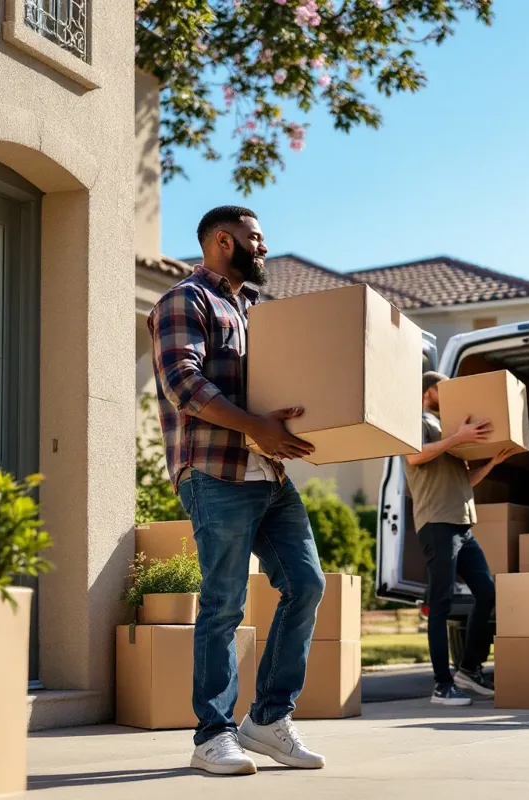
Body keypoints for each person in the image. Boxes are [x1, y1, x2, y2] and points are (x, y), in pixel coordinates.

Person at [149, 205, 327, 775]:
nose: (265, 247)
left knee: (306, 584)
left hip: (269, 474)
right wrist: (256, 427)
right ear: (224, 241)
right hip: (214, 472)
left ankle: (268, 720)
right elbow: (183, 382)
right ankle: (212, 734)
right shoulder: (186, 299)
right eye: (256, 237)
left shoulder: (253, 311)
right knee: (223, 603)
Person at [404, 371, 514, 706]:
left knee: (487, 592)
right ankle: (442, 685)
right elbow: (413, 456)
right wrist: (457, 436)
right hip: (437, 524)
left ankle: (469, 668)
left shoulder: (446, 428)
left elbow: (463, 480)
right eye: (444, 390)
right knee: (441, 605)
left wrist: (492, 462)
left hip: (463, 524)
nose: (451, 396)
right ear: (429, 392)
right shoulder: (413, 420)